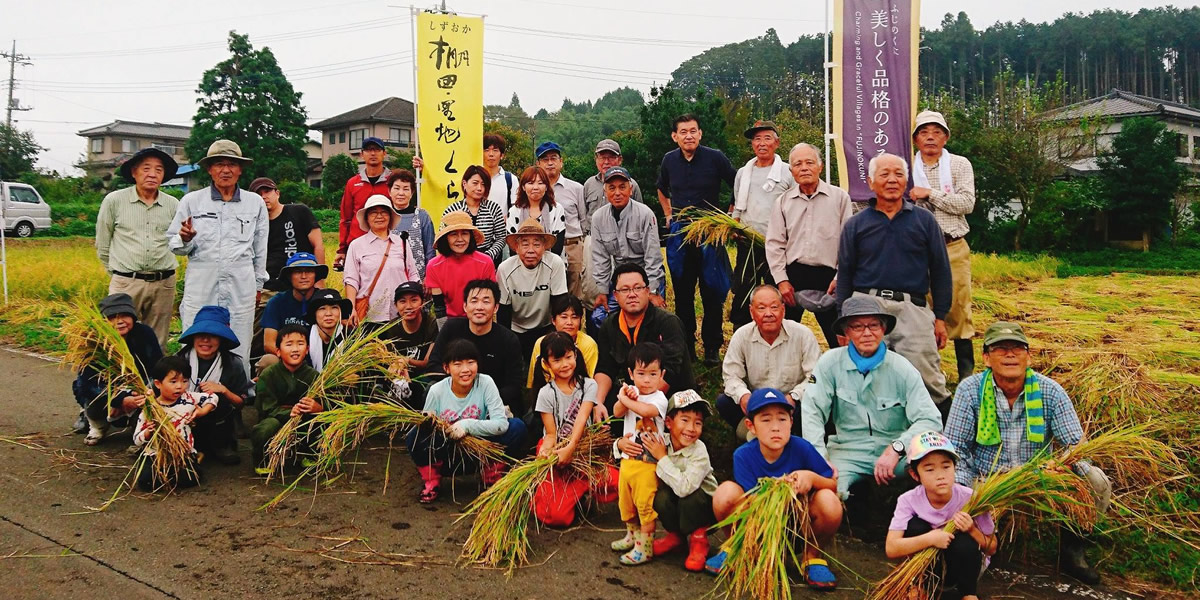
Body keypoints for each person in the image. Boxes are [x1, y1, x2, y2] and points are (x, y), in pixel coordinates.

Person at [945, 321, 1113, 585]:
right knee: (965, 573)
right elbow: (956, 450)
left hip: (1039, 477)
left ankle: (1072, 549)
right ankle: (987, 542)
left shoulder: (1050, 391)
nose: (1010, 354)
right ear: (986, 358)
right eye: (1001, 349)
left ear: (1028, 356)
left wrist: (1061, 466)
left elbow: (1076, 446)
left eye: (1017, 348)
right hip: (987, 480)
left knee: (1096, 480)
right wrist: (965, 495)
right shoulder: (970, 391)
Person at [836, 152, 952, 414]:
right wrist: (843, 321)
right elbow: (845, 274)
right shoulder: (855, 225)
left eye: (899, 174)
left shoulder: (925, 221)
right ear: (870, 182)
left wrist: (941, 317)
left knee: (927, 378)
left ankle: (940, 443)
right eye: (884, 174)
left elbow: (941, 271)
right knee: (867, 376)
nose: (892, 180)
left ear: (906, 181)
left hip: (913, 308)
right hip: (866, 307)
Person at [801, 296, 943, 506]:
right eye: (857, 327)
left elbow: (931, 420)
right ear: (846, 332)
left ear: (884, 329)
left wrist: (897, 447)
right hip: (847, 451)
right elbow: (812, 411)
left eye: (873, 325)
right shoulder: (829, 363)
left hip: (898, 454)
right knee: (823, 493)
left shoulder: (902, 368)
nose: (867, 333)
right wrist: (820, 460)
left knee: (934, 472)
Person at [705, 388, 843, 590]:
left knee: (830, 501)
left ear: (792, 423)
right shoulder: (743, 455)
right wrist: (781, 488)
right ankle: (737, 546)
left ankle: (811, 556)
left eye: (782, 419)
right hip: (758, 527)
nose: (775, 428)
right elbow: (752, 503)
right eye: (766, 420)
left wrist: (810, 478)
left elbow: (831, 484)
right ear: (751, 426)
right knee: (724, 492)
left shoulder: (802, 448)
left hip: (798, 528)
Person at [167, 139, 268, 372]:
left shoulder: (255, 204)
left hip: (241, 286)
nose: (226, 170)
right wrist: (185, 238)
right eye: (219, 164)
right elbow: (174, 244)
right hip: (202, 285)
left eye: (232, 164)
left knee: (240, 338)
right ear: (209, 169)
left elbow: (259, 248)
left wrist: (258, 285)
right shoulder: (192, 201)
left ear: (240, 169)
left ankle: (237, 394)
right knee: (197, 336)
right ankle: (192, 392)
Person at [656, 114, 737, 365]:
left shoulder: (715, 157)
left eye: (693, 131)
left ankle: (712, 347)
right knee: (682, 292)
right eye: (683, 132)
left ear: (700, 133)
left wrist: (730, 213)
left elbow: (737, 182)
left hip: (710, 232)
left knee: (711, 291)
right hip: (682, 233)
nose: (688, 136)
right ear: (675, 136)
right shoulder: (669, 160)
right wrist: (668, 214)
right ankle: (687, 345)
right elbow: (661, 188)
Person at [406, 339, 528, 503]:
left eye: (471, 363)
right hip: (449, 456)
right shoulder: (436, 391)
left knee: (517, 427)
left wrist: (467, 425)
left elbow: (501, 424)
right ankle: (432, 480)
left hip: (481, 451)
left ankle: (491, 473)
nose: (465, 370)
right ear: (446, 368)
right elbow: (428, 430)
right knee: (415, 435)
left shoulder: (486, 383)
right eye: (457, 364)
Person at [886, 431, 997, 600]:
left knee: (964, 539)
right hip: (927, 567)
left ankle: (968, 593)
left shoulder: (971, 499)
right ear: (915, 475)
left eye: (946, 467)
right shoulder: (908, 500)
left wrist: (972, 530)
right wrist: (930, 538)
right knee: (916, 526)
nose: (940, 476)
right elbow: (891, 548)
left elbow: (992, 547)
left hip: (962, 568)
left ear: (955, 467)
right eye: (929, 469)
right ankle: (921, 585)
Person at [910, 110, 978, 381]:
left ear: (946, 137)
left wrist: (931, 194)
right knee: (920, 310)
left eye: (936, 132)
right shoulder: (906, 166)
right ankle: (930, 375)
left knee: (959, 308)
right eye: (924, 132)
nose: (930, 137)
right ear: (915, 139)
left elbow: (966, 203)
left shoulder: (960, 165)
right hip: (916, 252)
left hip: (952, 246)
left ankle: (966, 376)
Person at [766, 143, 853, 348]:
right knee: (782, 337)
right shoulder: (783, 201)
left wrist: (840, 277)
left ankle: (843, 377)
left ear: (820, 166)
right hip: (793, 276)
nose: (804, 168)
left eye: (809, 162)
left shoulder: (840, 198)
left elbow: (849, 244)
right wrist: (781, 280)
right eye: (798, 164)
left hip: (830, 277)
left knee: (839, 339)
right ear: (791, 170)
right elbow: (775, 243)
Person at [94, 147, 180, 349]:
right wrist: (119, 275)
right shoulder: (114, 201)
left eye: (159, 170)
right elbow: (103, 243)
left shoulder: (173, 204)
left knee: (157, 340)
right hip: (126, 281)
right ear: (134, 172)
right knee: (119, 337)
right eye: (146, 168)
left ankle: (152, 380)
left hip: (164, 282)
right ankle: (119, 379)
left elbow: (179, 241)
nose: (152, 174)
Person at [531, 332, 617, 527]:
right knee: (557, 517)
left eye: (569, 357)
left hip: (582, 450)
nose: (565, 364)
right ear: (546, 363)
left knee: (618, 484)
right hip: (556, 451)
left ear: (576, 356)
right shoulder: (545, 394)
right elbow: (551, 434)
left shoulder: (589, 385)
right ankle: (559, 495)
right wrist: (546, 453)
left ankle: (579, 492)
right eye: (557, 360)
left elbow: (581, 419)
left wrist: (572, 447)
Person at [717, 285, 821, 438]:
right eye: (761, 308)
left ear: (783, 310)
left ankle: (792, 436)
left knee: (811, 404)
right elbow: (731, 376)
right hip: (757, 401)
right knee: (724, 402)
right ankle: (753, 432)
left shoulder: (802, 334)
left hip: (792, 402)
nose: (768, 313)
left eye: (774, 307)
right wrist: (745, 397)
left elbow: (815, 377)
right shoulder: (742, 336)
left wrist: (794, 397)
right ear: (752, 312)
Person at [594, 263, 694, 420]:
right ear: (615, 295)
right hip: (634, 394)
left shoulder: (668, 322)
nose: (632, 294)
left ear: (648, 291)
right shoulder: (609, 325)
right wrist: (598, 402)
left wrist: (640, 406)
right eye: (625, 290)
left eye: (638, 288)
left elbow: (671, 371)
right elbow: (605, 367)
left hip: (670, 396)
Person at [73, 293, 163, 444]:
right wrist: (120, 399)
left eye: (124, 316)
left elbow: (157, 367)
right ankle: (98, 426)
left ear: (133, 317)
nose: (119, 321)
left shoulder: (144, 333)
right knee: (90, 396)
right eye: (112, 317)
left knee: (151, 402)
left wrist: (147, 391)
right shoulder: (92, 341)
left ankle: (140, 429)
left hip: (140, 389)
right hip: (107, 391)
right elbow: (88, 383)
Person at [609, 342, 670, 566]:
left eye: (653, 374)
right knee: (626, 502)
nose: (646, 380)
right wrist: (624, 396)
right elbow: (617, 412)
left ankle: (645, 548)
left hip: (647, 463)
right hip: (628, 461)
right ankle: (632, 536)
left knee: (645, 504)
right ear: (631, 373)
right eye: (641, 374)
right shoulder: (631, 395)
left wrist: (626, 398)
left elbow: (645, 411)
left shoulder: (659, 399)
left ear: (661, 375)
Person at [427, 279, 526, 414]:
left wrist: (482, 399)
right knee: (430, 387)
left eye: (486, 301)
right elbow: (433, 365)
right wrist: (461, 385)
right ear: (465, 306)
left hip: (493, 402)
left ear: (496, 307)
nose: (479, 307)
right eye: (474, 301)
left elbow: (514, 384)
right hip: (454, 397)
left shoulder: (508, 339)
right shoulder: (451, 329)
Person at [729, 121, 794, 328]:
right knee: (744, 290)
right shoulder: (743, 172)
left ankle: (782, 333)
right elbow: (739, 206)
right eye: (757, 139)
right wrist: (733, 226)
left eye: (767, 138)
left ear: (777, 143)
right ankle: (743, 335)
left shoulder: (788, 172)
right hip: (748, 242)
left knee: (779, 291)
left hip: (779, 245)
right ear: (752, 145)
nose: (761, 143)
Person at [645, 390, 718, 572]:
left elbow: (685, 487)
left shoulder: (699, 451)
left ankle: (698, 540)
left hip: (703, 506)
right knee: (660, 497)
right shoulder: (662, 442)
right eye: (685, 420)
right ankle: (676, 537)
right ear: (668, 423)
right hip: (678, 500)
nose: (692, 428)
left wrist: (662, 458)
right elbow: (636, 448)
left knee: (691, 498)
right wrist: (619, 444)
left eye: (698, 423)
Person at [588, 166, 666, 328]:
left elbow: (653, 256)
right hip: (620, 278)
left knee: (652, 321)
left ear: (630, 190)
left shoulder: (645, 214)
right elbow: (600, 258)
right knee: (599, 319)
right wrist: (602, 291)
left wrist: (652, 291)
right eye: (612, 188)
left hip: (647, 275)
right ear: (605, 192)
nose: (617, 193)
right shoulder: (598, 218)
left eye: (622, 187)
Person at [175, 305, 251, 465]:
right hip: (184, 418)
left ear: (222, 339)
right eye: (200, 335)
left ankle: (221, 445)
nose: (205, 341)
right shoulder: (179, 360)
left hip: (218, 421)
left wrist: (223, 390)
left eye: (213, 336)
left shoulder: (233, 364)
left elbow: (240, 403)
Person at [132, 356, 214, 492]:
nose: (180, 386)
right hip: (155, 453)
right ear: (158, 384)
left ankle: (191, 460)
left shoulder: (189, 399)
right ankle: (166, 472)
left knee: (190, 479)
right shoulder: (150, 408)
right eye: (173, 381)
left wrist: (202, 411)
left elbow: (213, 397)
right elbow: (137, 439)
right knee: (147, 483)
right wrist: (147, 433)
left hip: (182, 452)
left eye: (185, 381)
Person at [251, 323, 321, 474]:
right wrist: (289, 413)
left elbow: (327, 402)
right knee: (266, 428)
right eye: (289, 344)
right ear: (278, 351)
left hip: (304, 419)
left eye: (300, 344)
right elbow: (265, 408)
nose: (295, 349)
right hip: (276, 418)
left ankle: (309, 455)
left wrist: (318, 407)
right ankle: (264, 459)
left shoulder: (314, 376)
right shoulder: (269, 374)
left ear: (307, 349)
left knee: (320, 421)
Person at [497, 219, 568, 361]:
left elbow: (560, 303)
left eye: (536, 244)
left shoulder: (555, 263)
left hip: (546, 326)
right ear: (516, 248)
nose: (531, 250)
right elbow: (503, 311)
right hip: (517, 327)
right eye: (525, 244)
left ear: (544, 247)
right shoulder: (505, 268)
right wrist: (505, 343)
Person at [344, 194, 419, 328]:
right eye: (373, 213)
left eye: (384, 212)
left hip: (399, 314)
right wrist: (351, 308)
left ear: (390, 216)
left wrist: (412, 303)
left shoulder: (401, 243)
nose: (379, 216)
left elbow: (412, 274)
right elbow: (351, 280)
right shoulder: (356, 245)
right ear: (367, 218)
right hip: (370, 315)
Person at [252, 177, 324, 293]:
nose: (264, 197)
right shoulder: (253, 224)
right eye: (259, 194)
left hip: (303, 283)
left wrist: (319, 282)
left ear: (277, 193)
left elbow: (318, 245)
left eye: (267, 192)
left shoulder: (299, 211)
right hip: (268, 287)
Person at [533, 142, 588, 296]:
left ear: (561, 162)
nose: (550, 163)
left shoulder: (576, 188)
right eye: (545, 159)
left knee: (574, 293)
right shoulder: (533, 189)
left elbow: (583, 221)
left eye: (553, 158)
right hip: (544, 248)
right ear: (538, 164)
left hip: (572, 246)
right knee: (548, 292)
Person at [414, 134, 518, 214]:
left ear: (502, 155)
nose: (491, 154)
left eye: (495, 150)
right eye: (486, 150)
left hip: (501, 235)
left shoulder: (510, 180)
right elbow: (445, 185)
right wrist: (425, 169)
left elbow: (515, 209)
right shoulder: (470, 177)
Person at [259, 252, 325, 372]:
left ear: (315, 275)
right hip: (286, 361)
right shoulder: (276, 302)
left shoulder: (324, 302)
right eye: (298, 272)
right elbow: (269, 344)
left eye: (309, 271)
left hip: (319, 359)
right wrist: (294, 361)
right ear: (289, 276)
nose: (304, 276)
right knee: (268, 361)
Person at [424, 211, 497, 320]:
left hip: (479, 320)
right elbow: (439, 307)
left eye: (464, 233)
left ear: (470, 236)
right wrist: (445, 334)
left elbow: (489, 301)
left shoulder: (485, 262)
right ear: (445, 238)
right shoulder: (434, 266)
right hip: (449, 323)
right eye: (453, 234)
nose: (460, 239)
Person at [335, 136, 390, 271]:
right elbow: (346, 218)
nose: (372, 153)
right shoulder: (353, 183)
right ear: (361, 154)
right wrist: (342, 249)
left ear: (384, 153)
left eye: (377, 149)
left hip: (387, 243)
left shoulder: (393, 181)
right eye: (368, 150)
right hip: (357, 242)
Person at [526, 295, 599, 390]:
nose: (569, 322)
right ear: (553, 320)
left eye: (574, 317)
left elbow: (588, 382)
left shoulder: (589, 344)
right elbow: (534, 381)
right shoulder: (541, 343)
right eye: (564, 317)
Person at [442, 165, 507, 264]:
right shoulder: (452, 210)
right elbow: (443, 237)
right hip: (458, 259)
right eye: (475, 183)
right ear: (464, 183)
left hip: (487, 259)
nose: (479, 188)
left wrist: (488, 256)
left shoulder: (494, 208)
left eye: (483, 184)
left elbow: (501, 238)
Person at [507, 165, 567, 257]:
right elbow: (513, 246)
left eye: (540, 183)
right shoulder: (514, 211)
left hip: (552, 263)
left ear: (546, 187)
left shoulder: (557, 209)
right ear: (523, 187)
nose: (535, 187)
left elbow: (557, 245)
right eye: (530, 183)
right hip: (521, 263)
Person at [386, 168, 435, 279]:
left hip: (419, 278)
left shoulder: (422, 216)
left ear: (412, 192)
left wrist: (429, 277)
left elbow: (430, 250)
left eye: (406, 189)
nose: (401, 193)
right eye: (397, 188)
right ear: (389, 191)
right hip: (391, 277)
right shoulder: (385, 216)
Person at [381, 281, 438, 374]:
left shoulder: (432, 324)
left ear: (422, 303)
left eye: (414, 300)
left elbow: (428, 363)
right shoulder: (391, 328)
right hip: (400, 374)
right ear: (396, 305)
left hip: (426, 376)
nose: (408, 306)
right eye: (402, 301)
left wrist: (406, 361)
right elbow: (390, 360)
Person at [582, 139, 644, 222]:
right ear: (596, 159)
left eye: (611, 157)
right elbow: (583, 214)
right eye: (602, 157)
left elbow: (640, 214)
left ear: (620, 160)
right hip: (593, 233)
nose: (606, 162)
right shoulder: (589, 184)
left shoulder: (631, 184)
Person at [305, 289, 352, 371]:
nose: (328, 314)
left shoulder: (351, 338)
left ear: (341, 312)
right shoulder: (304, 338)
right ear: (314, 314)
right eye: (322, 308)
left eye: (334, 308)